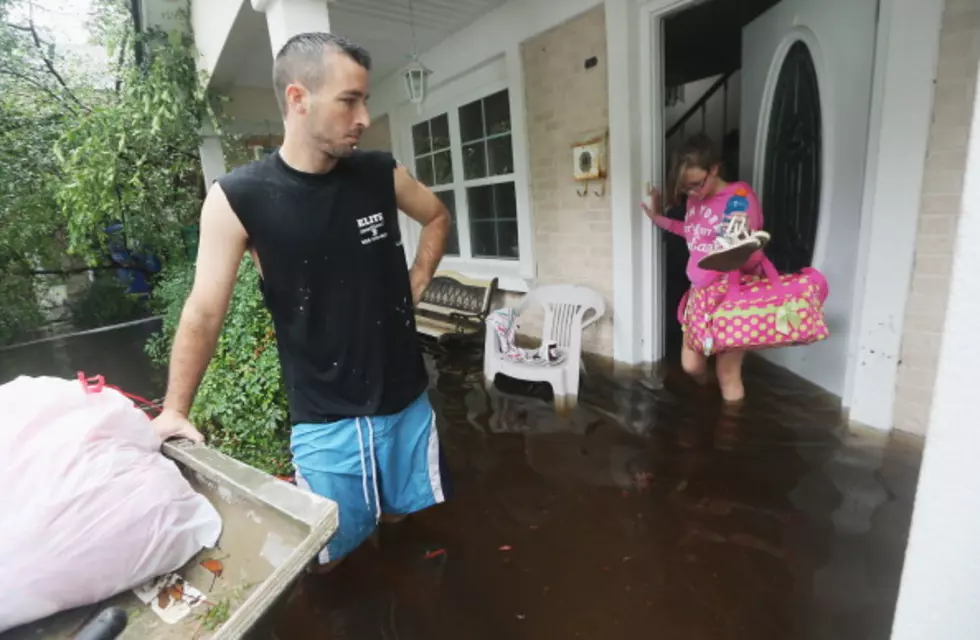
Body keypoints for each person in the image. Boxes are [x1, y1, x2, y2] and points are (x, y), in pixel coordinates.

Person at [151, 32, 452, 570]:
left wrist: (419, 277)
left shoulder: (379, 173)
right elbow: (203, 311)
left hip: (406, 398)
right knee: (334, 555)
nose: (363, 115)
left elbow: (436, 216)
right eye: (350, 100)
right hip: (326, 418)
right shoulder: (238, 198)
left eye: (364, 99)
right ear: (298, 98)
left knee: (404, 522)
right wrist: (175, 410)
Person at [640, 133, 766, 402]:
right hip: (699, 293)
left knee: (728, 374)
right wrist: (658, 218)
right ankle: (708, 405)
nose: (693, 192)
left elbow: (755, 258)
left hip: (733, 294)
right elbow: (692, 232)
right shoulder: (694, 200)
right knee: (691, 365)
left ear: (715, 169)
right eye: (686, 188)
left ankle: (730, 438)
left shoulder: (740, 198)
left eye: (697, 184)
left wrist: (741, 245)